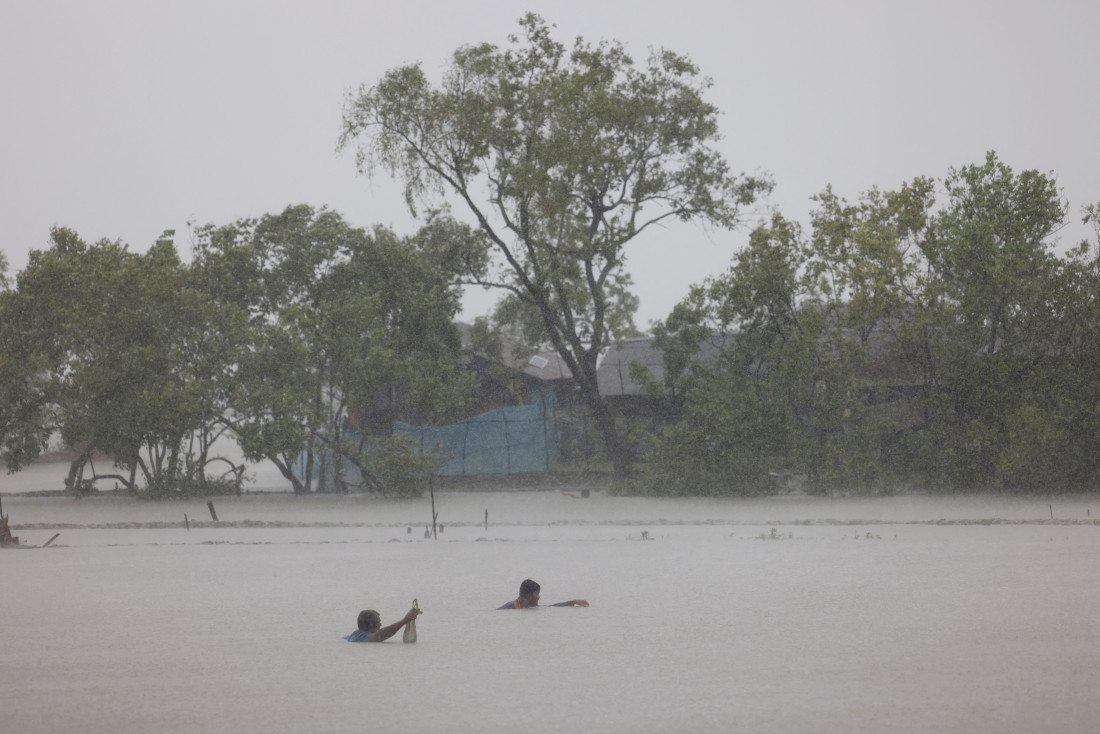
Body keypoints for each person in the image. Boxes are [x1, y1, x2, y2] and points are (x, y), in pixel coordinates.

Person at [497, 578, 588, 609]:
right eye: (537, 594)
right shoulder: (510, 607)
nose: (539, 597)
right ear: (529, 595)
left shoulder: (529, 606)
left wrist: (572, 602)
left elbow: (550, 607)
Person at [345, 606, 420, 642]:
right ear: (371, 625)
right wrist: (404, 621)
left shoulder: (355, 634)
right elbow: (380, 635)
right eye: (378, 623)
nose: (380, 625)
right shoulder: (365, 637)